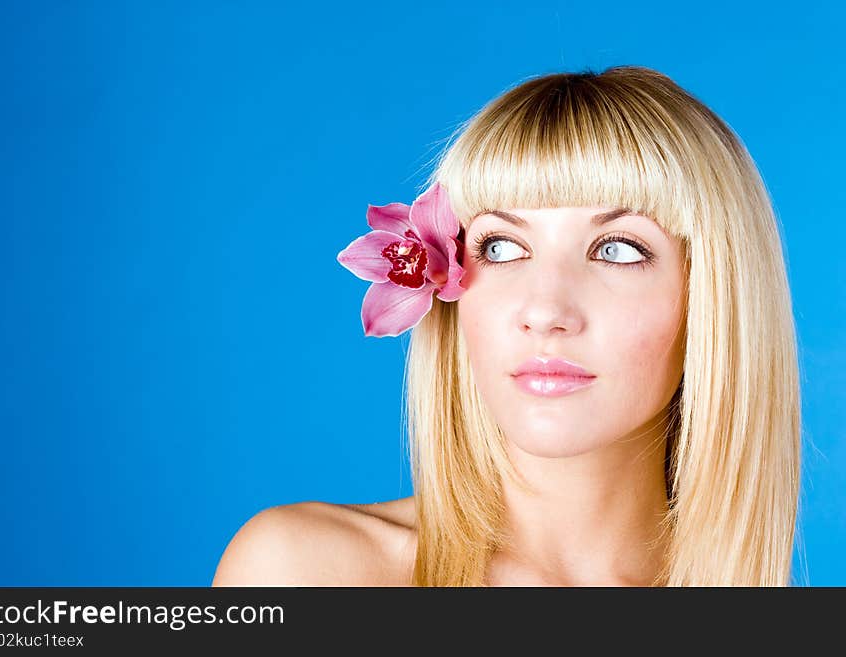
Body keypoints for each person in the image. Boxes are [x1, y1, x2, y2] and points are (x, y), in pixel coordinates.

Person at [212, 65, 802, 587]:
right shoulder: (305, 572)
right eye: (499, 248)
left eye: (618, 250)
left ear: (714, 298)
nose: (544, 311)